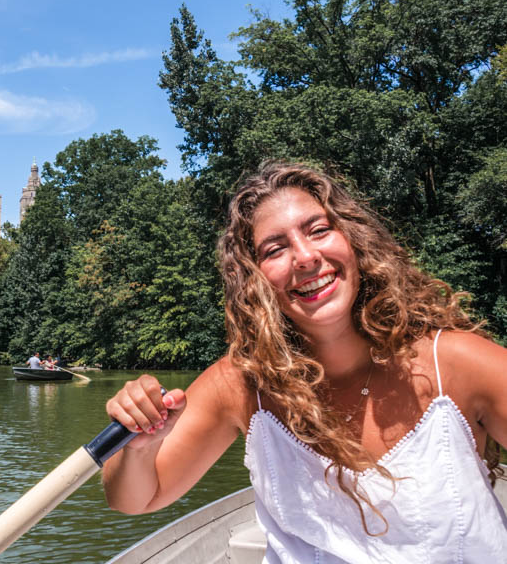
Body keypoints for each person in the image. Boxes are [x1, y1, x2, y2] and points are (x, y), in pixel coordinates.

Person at [102, 163, 507, 561]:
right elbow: (136, 498)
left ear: (355, 241)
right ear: (253, 278)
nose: (305, 256)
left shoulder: (455, 363)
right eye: (275, 249)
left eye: (318, 230)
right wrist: (139, 447)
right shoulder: (242, 384)